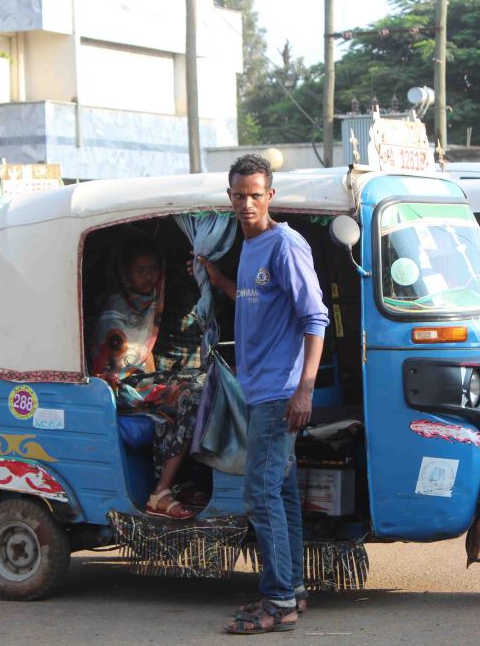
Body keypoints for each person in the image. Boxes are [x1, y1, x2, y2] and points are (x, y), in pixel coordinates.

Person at [196, 154, 329, 635]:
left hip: (280, 393)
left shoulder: (285, 244)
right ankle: (291, 590)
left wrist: (304, 391)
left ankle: (277, 604)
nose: (247, 203)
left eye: (256, 194)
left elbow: (316, 320)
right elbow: (255, 299)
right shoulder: (251, 248)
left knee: (259, 494)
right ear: (229, 198)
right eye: (239, 195)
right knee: (282, 493)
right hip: (259, 392)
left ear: (270, 196)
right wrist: (219, 282)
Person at [90, 234, 205, 520]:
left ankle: (177, 482)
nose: (148, 275)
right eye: (141, 270)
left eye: (152, 269)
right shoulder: (115, 310)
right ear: (127, 273)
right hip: (114, 387)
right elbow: (115, 366)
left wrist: (159, 384)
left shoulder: (150, 303)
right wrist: (158, 389)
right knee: (190, 395)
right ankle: (161, 492)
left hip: (139, 385)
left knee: (202, 386)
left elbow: (146, 353)